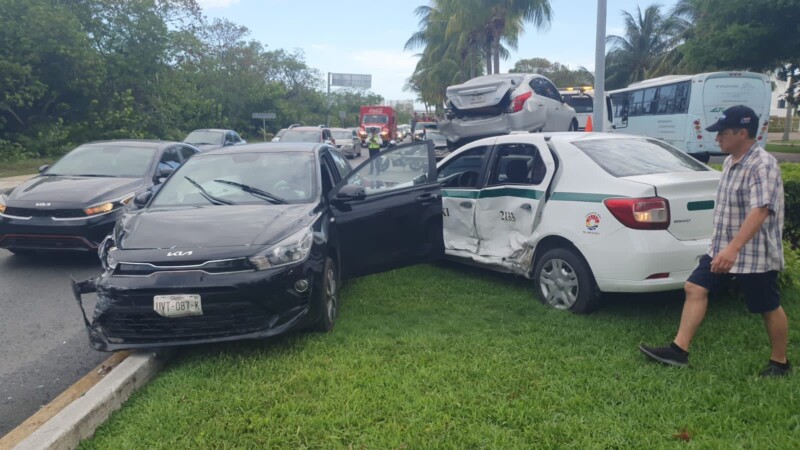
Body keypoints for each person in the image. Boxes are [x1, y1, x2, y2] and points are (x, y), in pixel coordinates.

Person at [639, 105, 790, 377]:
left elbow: (761, 209)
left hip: (753, 253)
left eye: (722, 132)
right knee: (695, 287)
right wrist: (723, 247)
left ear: (743, 133)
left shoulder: (762, 164)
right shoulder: (731, 162)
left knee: (767, 306)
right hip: (721, 248)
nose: (717, 138)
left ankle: (780, 362)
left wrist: (733, 249)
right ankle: (678, 350)